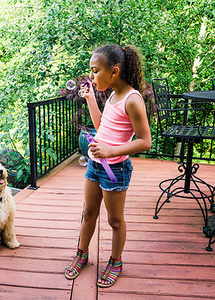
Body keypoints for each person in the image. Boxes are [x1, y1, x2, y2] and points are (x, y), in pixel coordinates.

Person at [64, 44, 151, 288]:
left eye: (95, 71)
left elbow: (145, 141)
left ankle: (115, 261)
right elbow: (102, 126)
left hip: (116, 170)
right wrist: (91, 98)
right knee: (88, 213)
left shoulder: (133, 99)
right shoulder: (113, 95)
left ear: (114, 72)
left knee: (115, 221)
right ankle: (82, 254)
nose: (91, 76)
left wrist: (111, 151)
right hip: (95, 165)